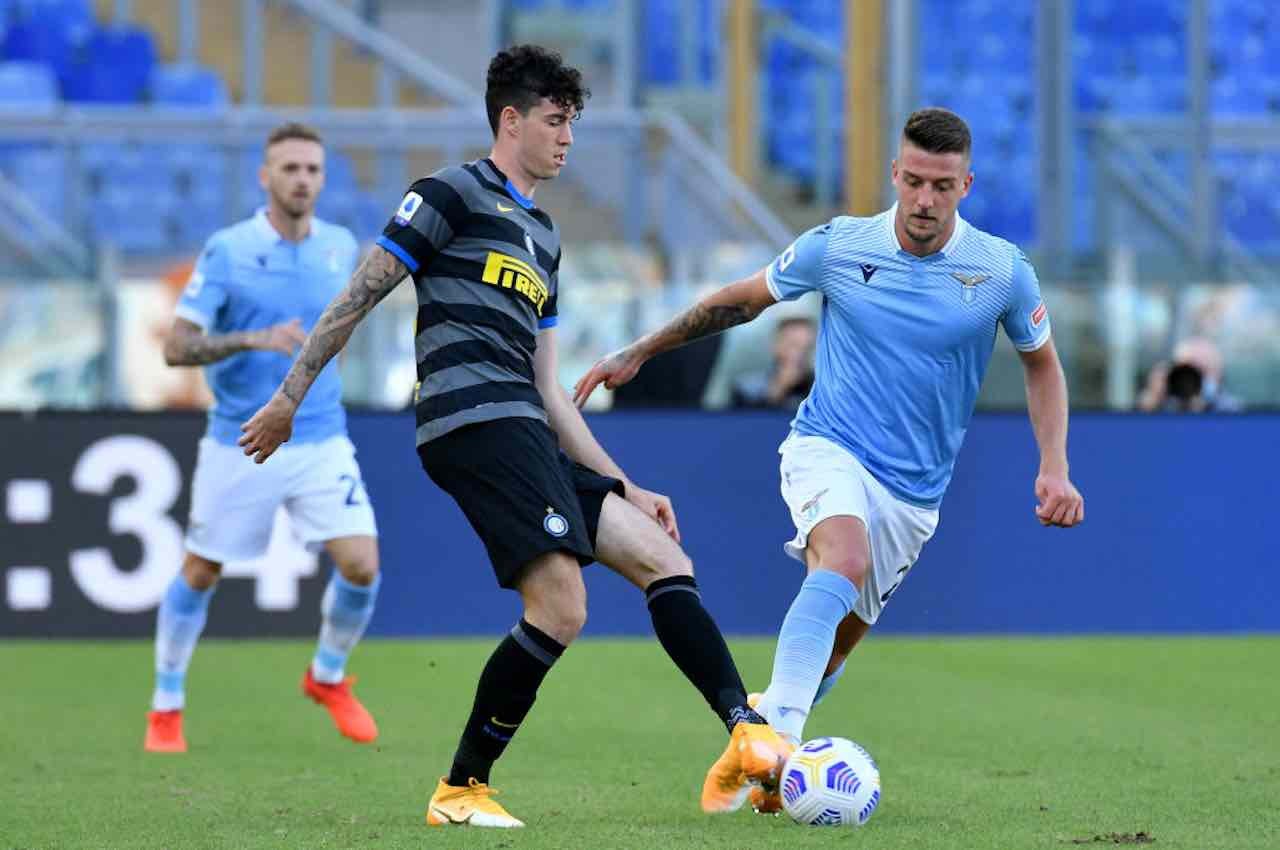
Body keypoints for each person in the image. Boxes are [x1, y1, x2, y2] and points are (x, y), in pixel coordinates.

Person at [238, 45, 790, 829]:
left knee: (665, 559)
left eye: (573, 123)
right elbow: (356, 298)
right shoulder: (448, 194)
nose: (568, 138)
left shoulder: (545, 237)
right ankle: (461, 789)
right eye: (556, 121)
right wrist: (289, 397)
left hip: (527, 423)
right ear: (511, 120)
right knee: (561, 606)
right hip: (471, 420)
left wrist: (625, 483)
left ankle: (744, 733)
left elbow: (550, 390)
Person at [574, 107, 1086, 812]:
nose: (925, 200)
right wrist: (639, 351)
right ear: (895, 174)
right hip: (828, 445)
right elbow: (738, 303)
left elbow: (1042, 364)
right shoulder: (840, 245)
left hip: (914, 493)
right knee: (843, 560)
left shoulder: (1001, 270)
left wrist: (1054, 465)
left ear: (965, 185)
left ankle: (765, 725)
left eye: (942, 186)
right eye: (914, 181)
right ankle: (776, 743)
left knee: (834, 650)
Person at [144, 123, 382, 754]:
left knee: (362, 565)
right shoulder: (229, 250)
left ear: (323, 179)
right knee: (201, 570)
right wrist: (253, 338)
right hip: (240, 440)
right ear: (265, 176)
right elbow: (176, 348)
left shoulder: (339, 246)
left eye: (312, 169)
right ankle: (165, 705)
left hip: (321, 436)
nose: (302, 179)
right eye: (290, 168)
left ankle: (327, 676)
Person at [1136, 336, 1243, 412]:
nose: (1195, 380)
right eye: (1188, 372)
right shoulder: (1165, 404)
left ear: (1218, 374)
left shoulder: (1233, 410)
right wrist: (1153, 399)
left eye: (1203, 370)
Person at [730, 316, 816, 410]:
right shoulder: (748, 386)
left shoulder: (821, 388)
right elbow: (745, 416)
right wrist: (779, 388)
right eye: (794, 345)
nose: (801, 353)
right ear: (776, 346)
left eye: (808, 347)